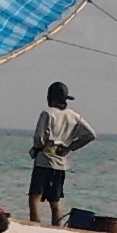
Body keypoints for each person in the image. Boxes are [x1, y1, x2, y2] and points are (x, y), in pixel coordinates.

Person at [27, 81, 95, 224]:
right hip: (60, 163)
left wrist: (36, 148)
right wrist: (70, 147)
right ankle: (57, 230)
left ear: (50, 97)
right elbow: (90, 135)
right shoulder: (74, 116)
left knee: (35, 197)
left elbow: (39, 137)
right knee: (55, 201)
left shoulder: (47, 113)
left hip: (44, 159)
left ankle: (34, 227)